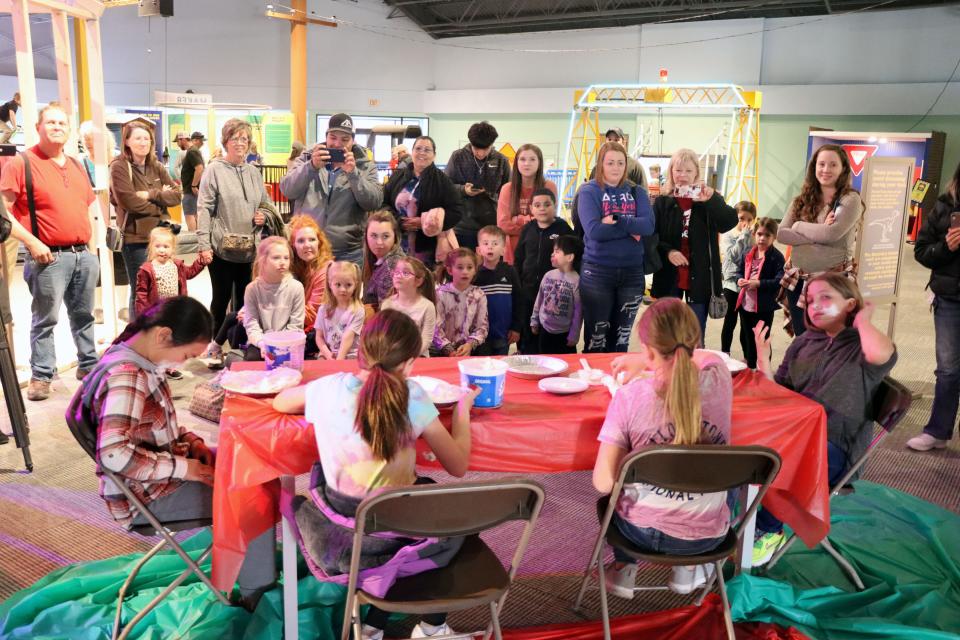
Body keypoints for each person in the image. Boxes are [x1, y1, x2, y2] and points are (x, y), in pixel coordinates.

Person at [273, 310, 480, 639]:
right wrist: (463, 412)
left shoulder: (329, 389)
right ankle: (431, 627)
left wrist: (315, 392)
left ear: (360, 353)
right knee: (452, 524)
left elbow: (281, 403)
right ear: (410, 363)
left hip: (340, 532)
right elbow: (458, 466)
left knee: (416, 526)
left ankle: (372, 627)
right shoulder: (413, 396)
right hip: (401, 529)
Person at [85, 296, 275, 608]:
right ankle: (258, 601)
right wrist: (185, 468)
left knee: (251, 466)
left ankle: (252, 578)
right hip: (148, 494)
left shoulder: (134, 359)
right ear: (163, 335)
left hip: (159, 475)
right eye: (186, 354)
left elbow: (154, 425)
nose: (184, 363)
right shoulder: (128, 375)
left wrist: (193, 444)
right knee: (255, 499)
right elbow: (113, 453)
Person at [751, 273, 896, 565]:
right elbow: (781, 395)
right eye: (811, 299)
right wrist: (763, 360)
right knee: (743, 445)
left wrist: (863, 320)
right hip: (797, 436)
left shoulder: (861, 345)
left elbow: (883, 354)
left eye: (826, 297)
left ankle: (767, 530)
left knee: (772, 459)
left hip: (834, 449)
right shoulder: (804, 342)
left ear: (850, 303)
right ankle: (738, 522)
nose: (815, 305)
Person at [596, 298, 733, 597]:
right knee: (729, 478)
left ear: (647, 349)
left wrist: (646, 360)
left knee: (614, 494)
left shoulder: (630, 397)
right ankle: (687, 569)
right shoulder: (720, 379)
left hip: (639, 534)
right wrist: (650, 359)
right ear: (694, 340)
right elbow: (709, 357)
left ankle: (624, 568)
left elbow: (603, 481)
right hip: (708, 539)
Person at [1, 102, 101, 401]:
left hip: (83, 254)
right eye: (51, 123)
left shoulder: (75, 164)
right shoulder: (22, 163)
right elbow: (3, 213)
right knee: (45, 319)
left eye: (62, 124)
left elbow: (85, 206)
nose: (57, 127)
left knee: (84, 316)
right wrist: (33, 242)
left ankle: (89, 365)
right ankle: (42, 375)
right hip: (48, 257)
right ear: (38, 127)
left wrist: (92, 250)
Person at [650, 147, 737, 343]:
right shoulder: (662, 202)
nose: (682, 176)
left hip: (699, 278)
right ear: (671, 172)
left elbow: (729, 222)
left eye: (688, 171)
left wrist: (712, 200)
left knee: (695, 336)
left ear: (697, 173)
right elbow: (652, 237)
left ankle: (693, 371)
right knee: (667, 335)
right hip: (669, 276)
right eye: (678, 170)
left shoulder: (707, 199)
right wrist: (668, 252)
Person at [776, 144, 864, 337]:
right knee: (803, 339)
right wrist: (820, 231)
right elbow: (781, 234)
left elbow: (832, 235)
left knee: (827, 340)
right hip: (798, 280)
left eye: (833, 165)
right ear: (814, 167)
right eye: (821, 164)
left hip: (832, 282)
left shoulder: (850, 200)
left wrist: (799, 226)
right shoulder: (801, 200)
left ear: (843, 169)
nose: (826, 169)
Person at [196, 118, 273, 335]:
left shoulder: (254, 172)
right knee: (220, 299)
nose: (240, 143)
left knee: (246, 299)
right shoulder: (214, 170)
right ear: (226, 141)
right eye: (235, 138)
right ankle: (214, 344)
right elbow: (204, 209)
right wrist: (203, 245)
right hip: (222, 249)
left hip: (251, 250)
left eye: (245, 138)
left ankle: (239, 343)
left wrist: (264, 215)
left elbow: (267, 204)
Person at [578, 141, 655, 353]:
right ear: (601, 164)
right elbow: (594, 231)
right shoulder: (588, 191)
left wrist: (617, 219)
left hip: (632, 274)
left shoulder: (637, 191)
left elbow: (648, 226)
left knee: (620, 341)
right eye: (610, 162)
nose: (615, 167)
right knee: (597, 340)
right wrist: (631, 227)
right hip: (597, 273)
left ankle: (618, 383)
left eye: (620, 163)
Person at [280, 113, 383, 265]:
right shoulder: (308, 157)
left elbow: (373, 202)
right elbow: (287, 189)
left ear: (353, 141)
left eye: (345, 139)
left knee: (344, 289)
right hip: (307, 248)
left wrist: (353, 174)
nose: (337, 144)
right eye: (333, 138)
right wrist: (311, 167)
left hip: (348, 251)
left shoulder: (365, 165)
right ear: (326, 137)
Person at [909, 162, 960, 452]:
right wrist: (947, 247)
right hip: (950, 298)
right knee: (949, 370)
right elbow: (921, 251)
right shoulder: (945, 205)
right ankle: (938, 431)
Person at [110, 120, 183, 321]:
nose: (143, 142)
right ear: (127, 142)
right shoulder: (119, 167)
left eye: (147, 138)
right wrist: (160, 202)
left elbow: (177, 196)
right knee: (141, 291)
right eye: (138, 138)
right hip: (136, 241)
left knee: (161, 288)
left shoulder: (156, 166)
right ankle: (138, 338)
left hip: (160, 238)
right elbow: (129, 202)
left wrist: (150, 194)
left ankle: (157, 334)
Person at [134, 226, 206, 378]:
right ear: (151, 247)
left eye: (166, 246)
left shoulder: (176, 266)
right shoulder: (147, 269)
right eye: (158, 246)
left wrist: (201, 262)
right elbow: (141, 293)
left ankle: (169, 366)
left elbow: (191, 272)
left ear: (172, 249)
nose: (162, 250)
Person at [383, 135, 462, 268]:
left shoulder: (442, 181)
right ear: (412, 152)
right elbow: (383, 203)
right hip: (395, 244)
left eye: (427, 150)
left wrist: (425, 221)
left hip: (426, 248)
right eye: (418, 148)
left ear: (434, 155)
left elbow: (456, 212)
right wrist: (398, 220)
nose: (422, 153)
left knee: (422, 284)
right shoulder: (399, 176)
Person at [514, 188, 574, 354]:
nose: (542, 208)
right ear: (531, 209)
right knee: (528, 326)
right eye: (537, 205)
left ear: (554, 206)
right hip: (529, 288)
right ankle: (526, 354)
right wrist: (518, 283)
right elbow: (519, 257)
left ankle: (550, 356)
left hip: (553, 292)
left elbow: (574, 255)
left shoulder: (563, 229)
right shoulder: (528, 229)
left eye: (547, 204)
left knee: (549, 328)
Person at [444, 121, 511, 251]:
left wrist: (492, 193)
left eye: (485, 149)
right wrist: (463, 190)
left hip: (491, 225)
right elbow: (446, 187)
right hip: (462, 225)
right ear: (470, 143)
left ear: (492, 144)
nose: (480, 153)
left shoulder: (501, 160)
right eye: (476, 149)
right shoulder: (457, 157)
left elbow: (508, 191)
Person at [241, 236, 305, 361]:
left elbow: (296, 325)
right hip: (262, 341)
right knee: (254, 359)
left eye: (286, 258)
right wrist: (262, 343)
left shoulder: (296, 287)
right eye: (276, 258)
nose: (282, 262)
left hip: (289, 341)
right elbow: (251, 324)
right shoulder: (252, 289)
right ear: (263, 260)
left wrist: (280, 345)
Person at [735, 217, 784, 370]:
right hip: (745, 304)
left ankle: (764, 369)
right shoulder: (748, 252)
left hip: (764, 307)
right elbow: (738, 271)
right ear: (754, 234)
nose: (762, 238)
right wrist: (739, 280)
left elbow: (779, 280)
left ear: (774, 237)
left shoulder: (776, 257)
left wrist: (759, 284)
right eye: (759, 234)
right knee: (747, 338)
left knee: (762, 340)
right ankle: (750, 368)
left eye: (767, 235)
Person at [496, 144, 557, 265]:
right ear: (516, 162)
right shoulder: (507, 189)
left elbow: (549, 220)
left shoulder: (549, 186)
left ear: (539, 162)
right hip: (513, 253)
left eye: (532, 159)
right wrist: (533, 221)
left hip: (541, 250)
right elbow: (503, 225)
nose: (527, 163)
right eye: (522, 159)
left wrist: (518, 219)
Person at [474, 225, 522, 356]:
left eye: (495, 243)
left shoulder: (510, 271)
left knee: (500, 364)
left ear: (503, 250)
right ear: (479, 250)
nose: (490, 247)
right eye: (486, 243)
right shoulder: (475, 275)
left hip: (503, 333)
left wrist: (516, 328)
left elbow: (519, 301)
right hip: (480, 335)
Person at [531, 235, 583, 354]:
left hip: (564, 333)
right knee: (545, 362)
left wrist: (574, 334)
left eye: (557, 251)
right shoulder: (548, 275)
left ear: (569, 257)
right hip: (545, 329)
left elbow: (578, 311)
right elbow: (539, 300)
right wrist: (534, 320)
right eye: (553, 251)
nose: (552, 254)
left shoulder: (576, 281)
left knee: (566, 363)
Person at [432, 248, 488, 357]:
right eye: (460, 267)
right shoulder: (440, 294)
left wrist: (469, 344)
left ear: (475, 270)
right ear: (449, 270)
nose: (465, 272)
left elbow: (482, 327)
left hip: (468, 351)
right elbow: (435, 327)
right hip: (441, 352)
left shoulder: (479, 294)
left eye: (469, 267)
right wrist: (448, 349)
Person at [720, 201, 757, 356]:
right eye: (741, 218)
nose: (745, 223)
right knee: (730, 321)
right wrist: (743, 236)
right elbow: (734, 257)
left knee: (746, 324)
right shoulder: (728, 235)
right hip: (730, 284)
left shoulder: (754, 236)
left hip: (747, 284)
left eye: (749, 220)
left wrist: (750, 238)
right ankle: (725, 354)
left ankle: (748, 358)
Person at [381, 256, 437, 358]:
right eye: (396, 272)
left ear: (418, 281)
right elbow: (385, 336)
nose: (398, 276)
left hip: (418, 356)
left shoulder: (428, 306)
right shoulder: (387, 304)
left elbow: (426, 339)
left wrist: (409, 355)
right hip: (392, 356)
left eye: (405, 273)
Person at [289, 214, 333, 339]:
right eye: (301, 241)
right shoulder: (297, 266)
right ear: (293, 246)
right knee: (234, 319)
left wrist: (280, 306)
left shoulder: (326, 271)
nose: (307, 245)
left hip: (317, 332)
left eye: (312, 240)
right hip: (298, 323)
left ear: (319, 242)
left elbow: (312, 316)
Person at [315, 261, 365, 360]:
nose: (343, 289)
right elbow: (319, 337)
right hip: (328, 352)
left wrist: (338, 361)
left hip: (351, 355)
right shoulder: (323, 309)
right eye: (338, 285)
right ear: (330, 284)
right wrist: (328, 355)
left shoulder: (358, 310)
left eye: (348, 285)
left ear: (355, 285)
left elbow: (348, 338)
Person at [361, 210, 406, 310]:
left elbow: (387, 314)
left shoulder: (392, 265)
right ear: (366, 236)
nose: (379, 242)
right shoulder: (376, 259)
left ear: (395, 237)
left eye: (385, 236)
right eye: (374, 236)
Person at [180, 132, 206, 232]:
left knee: (190, 215)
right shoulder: (195, 151)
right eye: (201, 141)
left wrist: (194, 185)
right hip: (193, 191)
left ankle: (193, 241)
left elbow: (199, 168)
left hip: (191, 191)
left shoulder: (192, 151)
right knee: (195, 215)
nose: (202, 144)